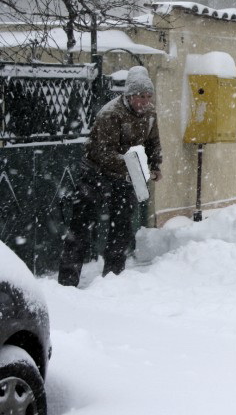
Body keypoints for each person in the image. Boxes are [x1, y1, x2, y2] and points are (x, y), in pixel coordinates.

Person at [58, 66, 162, 287]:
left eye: (148, 96)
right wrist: (134, 168)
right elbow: (104, 153)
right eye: (140, 96)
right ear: (129, 95)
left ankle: (113, 279)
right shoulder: (111, 114)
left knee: (122, 226)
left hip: (123, 176)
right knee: (81, 226)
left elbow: (153, 142)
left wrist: (155, 165)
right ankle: (67, 281)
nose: (144, 101)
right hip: (95, 172)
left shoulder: (150, 115)